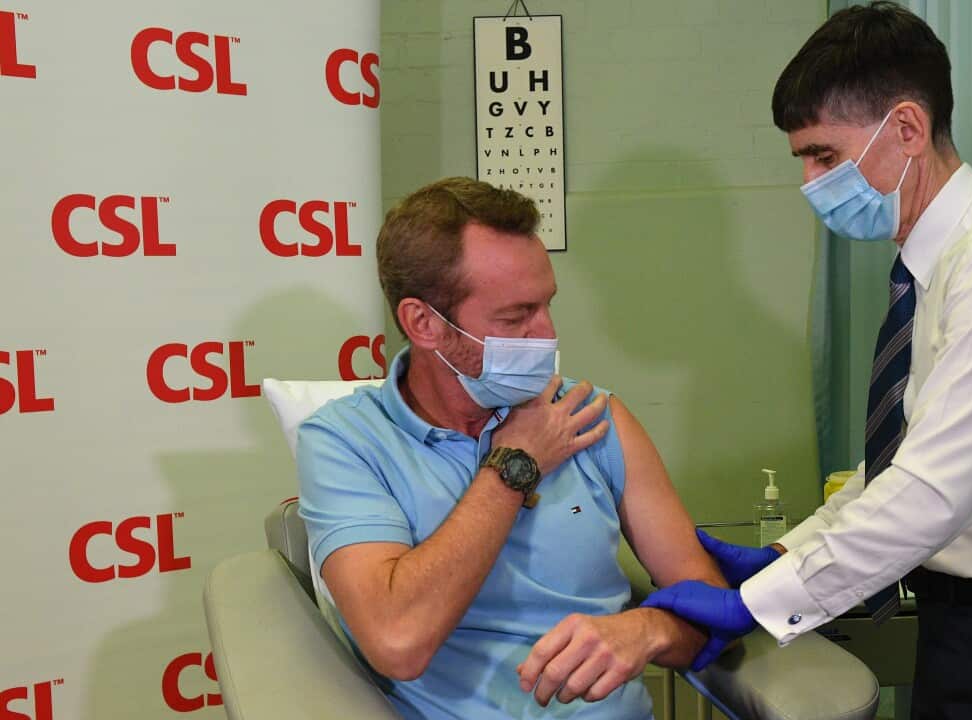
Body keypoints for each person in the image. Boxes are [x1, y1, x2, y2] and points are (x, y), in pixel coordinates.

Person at [641, 3, 972, 719]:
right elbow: (900, 466)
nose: (810, 183)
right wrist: (787, 554)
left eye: (824, 156)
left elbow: (931, 493)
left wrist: (759, 602)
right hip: (965, 626)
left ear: (907, 128)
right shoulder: (935, 268)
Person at [297, 177, 725, 720]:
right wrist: (514, 465)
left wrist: (650, 628)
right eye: (515, 316)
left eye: (546, 305)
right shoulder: (347, 441)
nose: (546, 334)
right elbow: (398, 642)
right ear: (423, 323)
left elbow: (711, 601)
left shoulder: (591, 417)